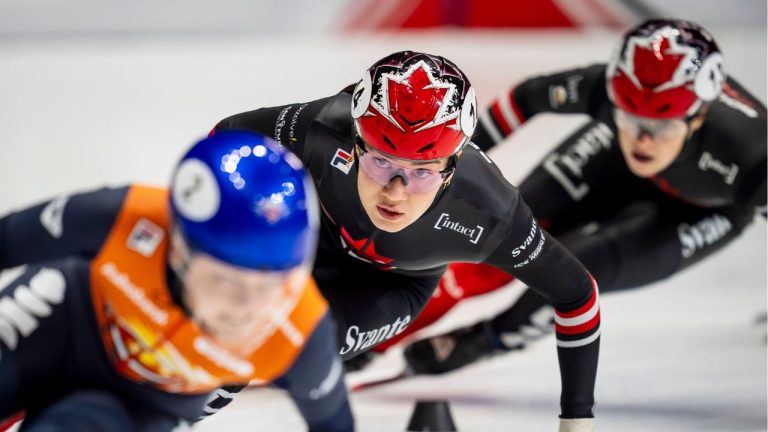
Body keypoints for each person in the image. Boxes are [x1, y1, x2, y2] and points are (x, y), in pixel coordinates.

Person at [213, 50, 601, 431]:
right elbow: (224, 139)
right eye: (380, 162)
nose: (395, 194)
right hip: (305, 240)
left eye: (422, 173)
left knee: (262, 337)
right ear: (355, 141)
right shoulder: (322, 127)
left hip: (390, 284)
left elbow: (577, 294)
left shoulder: (490, 212)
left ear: (451, 170)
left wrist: (576, 419)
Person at [388, 19, 766, 376]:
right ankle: (376, 335)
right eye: (630, 117)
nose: (643, 139)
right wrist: (445, 164)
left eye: (662, 124)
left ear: (699, 116)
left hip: (702, 209)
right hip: (612, 160)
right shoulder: (604, 88)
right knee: (497, 234)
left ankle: (487, 339)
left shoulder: (751, 155)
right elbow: (523, 99)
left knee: (578, 270)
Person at [0, 131, 354, 432]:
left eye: (272, 287)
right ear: (179, 250)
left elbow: (334, 424)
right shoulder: (127, 217)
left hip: (138, 401)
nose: (247, 309)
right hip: (60, 322)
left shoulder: (300, 332)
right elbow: (8, 239)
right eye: (226, 281)